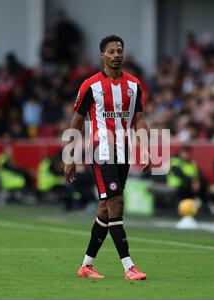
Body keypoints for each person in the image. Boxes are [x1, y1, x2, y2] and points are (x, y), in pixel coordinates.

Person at [64, 35, 150, 280]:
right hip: (102, 152)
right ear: (102, 55)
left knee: (104, 208)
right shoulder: (90, 85)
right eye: (111, 51)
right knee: (116, 204)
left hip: (123, 152)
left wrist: (145, 147)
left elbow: (139, 119)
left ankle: (86, 265)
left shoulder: (134, 85)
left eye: (119, 50)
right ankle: (128, 266)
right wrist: (70, 157)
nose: (116, 55)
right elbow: (77, 121)